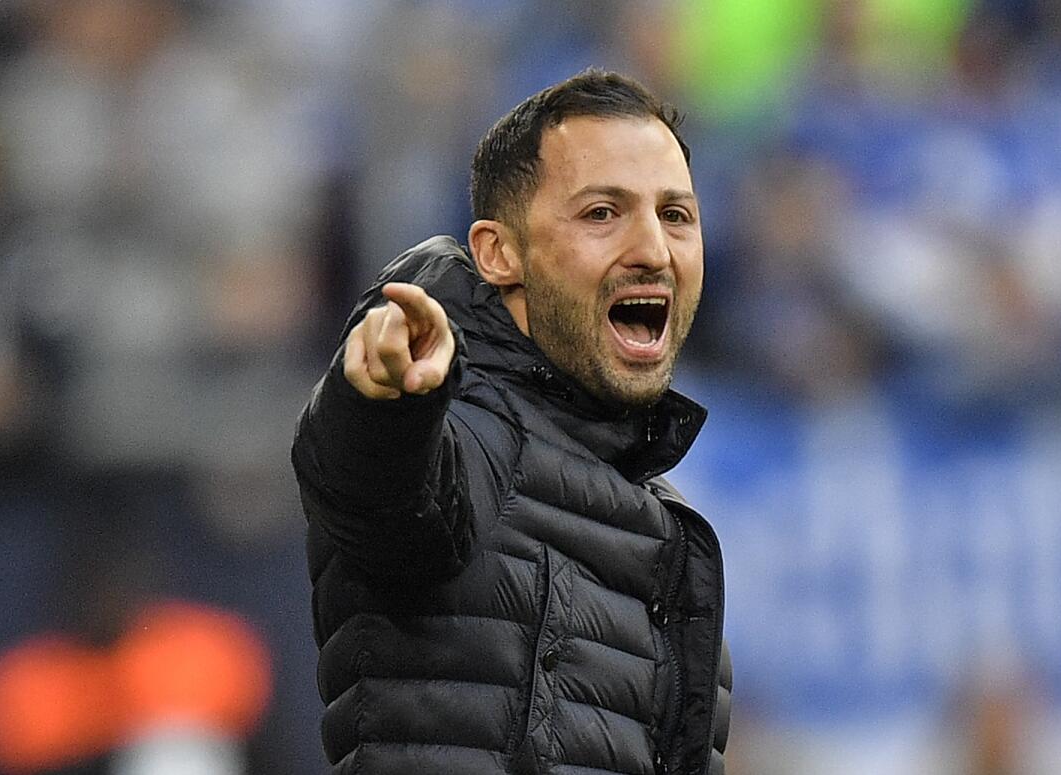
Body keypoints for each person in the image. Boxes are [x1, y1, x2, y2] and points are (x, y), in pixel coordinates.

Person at [291, 69, 732, 775]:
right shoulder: (472, 430)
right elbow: (376, 488)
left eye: (675, 215)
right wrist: (384, 401)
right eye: (601, 213)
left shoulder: (671, 539)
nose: (654, 249)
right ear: (499, 252)